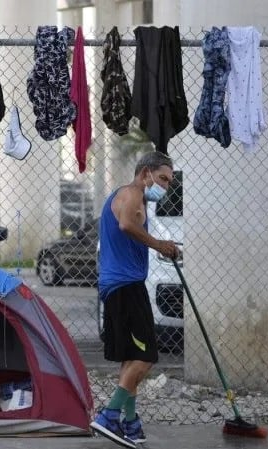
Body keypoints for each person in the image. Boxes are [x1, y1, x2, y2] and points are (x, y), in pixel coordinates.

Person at [90, 151, 180, 448]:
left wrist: (161, 245)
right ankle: (110, 415)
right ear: (146, 173)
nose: (165, 186)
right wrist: (159, 245)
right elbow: (127, 225)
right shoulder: (131, 194)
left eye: (169, 181)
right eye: (163, 179)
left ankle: (130, 424)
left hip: (120, 286)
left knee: (131, 357)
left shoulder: (130, 196)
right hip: (125, 287)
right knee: (146, 357)